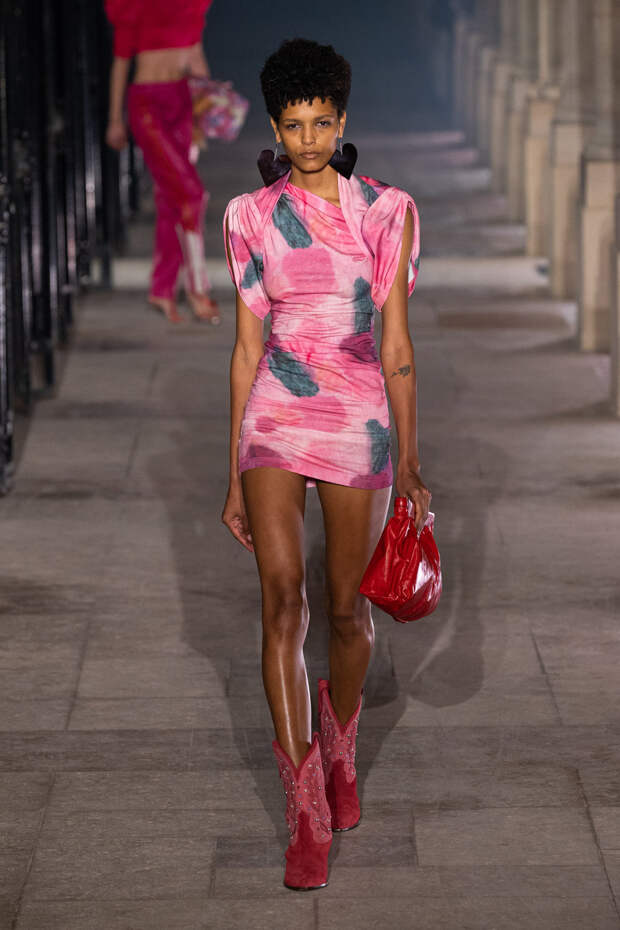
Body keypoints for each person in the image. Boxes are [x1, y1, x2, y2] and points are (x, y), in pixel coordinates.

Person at [222, 38, 431, 891]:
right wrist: (232, 472)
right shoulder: (248, 215)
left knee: (346, 611)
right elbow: (245, 350)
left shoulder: (386, 211)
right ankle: (304, 803)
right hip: (276, 410)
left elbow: (397, 346)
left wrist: (410, 462)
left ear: (342, 122)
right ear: (275, 128)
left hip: (356, 417)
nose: (307, 139)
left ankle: (340, 745)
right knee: (282, 599)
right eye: (292, 125)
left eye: (321, 123)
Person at [104, 0, 220, 324]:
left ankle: (162, 289)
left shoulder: (191, 6)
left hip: (182, 101)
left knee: (173, 198)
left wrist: (204, 113)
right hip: (147, 106)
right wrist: (115, 119)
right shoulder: (132, 6)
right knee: (192, 194)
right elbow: (121, 64)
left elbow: (196, 57)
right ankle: (197, 289)